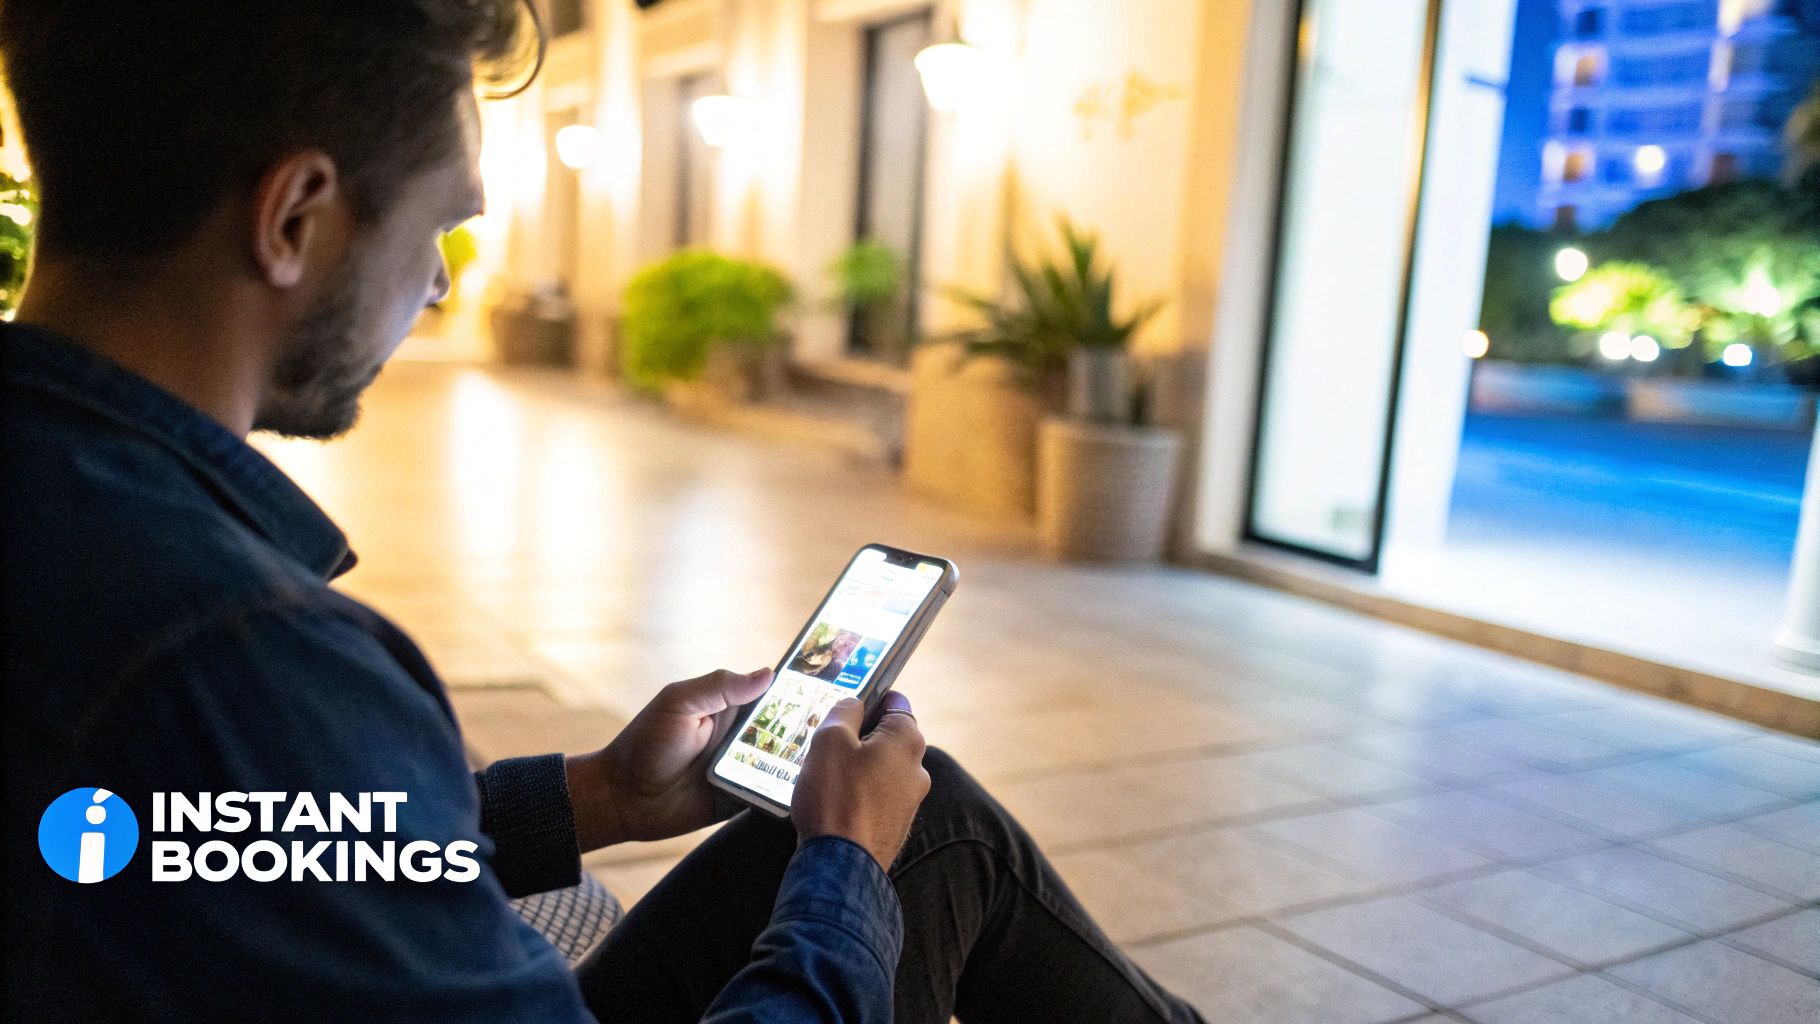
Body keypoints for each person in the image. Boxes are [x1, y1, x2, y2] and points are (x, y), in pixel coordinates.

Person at [0, 3, 1207, 1022]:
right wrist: (843, 870)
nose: (433, 283)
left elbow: (201, 839)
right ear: (294, 218)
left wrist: (598, 795)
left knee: (930, 812)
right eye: (441, 229)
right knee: (897, 836)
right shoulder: (237, 658)